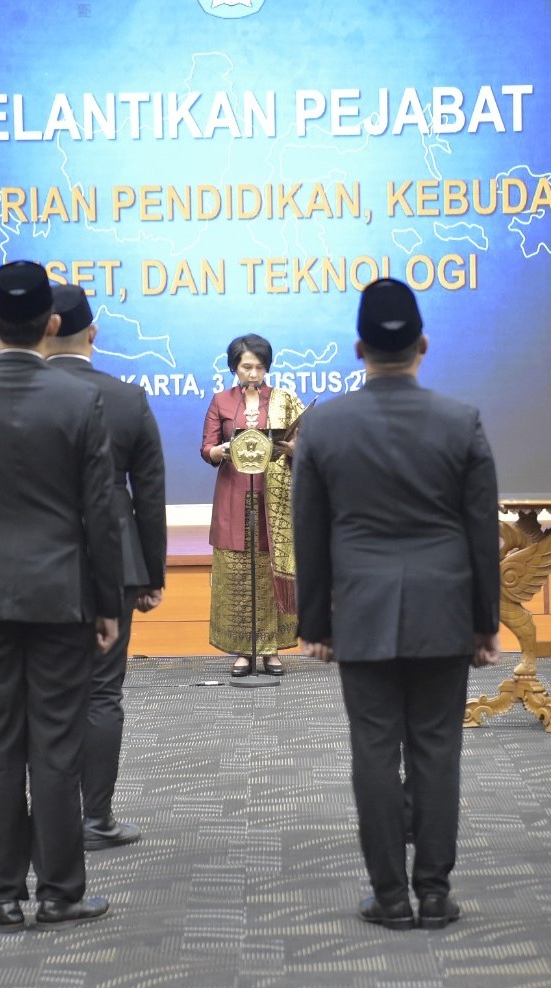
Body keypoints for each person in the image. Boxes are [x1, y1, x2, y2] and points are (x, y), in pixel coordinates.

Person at [0, 260, 123, 931]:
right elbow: (100, 512)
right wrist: (107, 605)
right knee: (57, 747)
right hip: (62, 598)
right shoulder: (78, 401)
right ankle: (61, 891)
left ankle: (1, 892)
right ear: (54, 324)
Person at [292, 278, 501, 930]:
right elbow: (479, 532)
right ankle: (434, 892)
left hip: (361, 608)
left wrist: (314, 625)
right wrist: (484, 622)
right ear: (424, 345)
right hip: (443, 610)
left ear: (358, 348)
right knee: (438, 751)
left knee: (374, 753)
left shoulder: (322, 424)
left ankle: (389, 896)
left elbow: (310, 533)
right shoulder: (460, 420)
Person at [41, 283, 167, 851]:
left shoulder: (14, 393)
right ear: (94, 333)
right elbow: (151, 494)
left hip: (33, 564)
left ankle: (48, 820)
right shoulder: (127, 398)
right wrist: (152, 574)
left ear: (45, 330)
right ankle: (96, 819)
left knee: (41, 695)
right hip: (111, 563)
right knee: (101, 693)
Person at [201, 334, 305, 677]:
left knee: (267, 569)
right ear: (234, 367)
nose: (253, 373)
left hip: (272, 497)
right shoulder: (221, 401)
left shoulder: (284, 400)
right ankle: (243, 651)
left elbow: (307, 443)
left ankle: (271, 650)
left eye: (259, 367)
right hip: (234, 495)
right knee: (238, 572)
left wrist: (291, 449)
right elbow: (207, 448)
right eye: (246, 366)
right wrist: (222, 451)